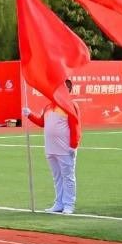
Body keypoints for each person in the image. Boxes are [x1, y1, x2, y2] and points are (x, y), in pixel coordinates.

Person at [24, 80, 80, 214]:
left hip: (65, 149)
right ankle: (59, 203)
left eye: (64, 88)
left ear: (69, 90)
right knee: (57, 177)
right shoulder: (48, 106)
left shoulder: (71, 105)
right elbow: (42, 122)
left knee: (68, 177)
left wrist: (73, 145)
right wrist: (30, 114)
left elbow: (76, 127)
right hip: (51, 148)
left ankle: (69, 204)